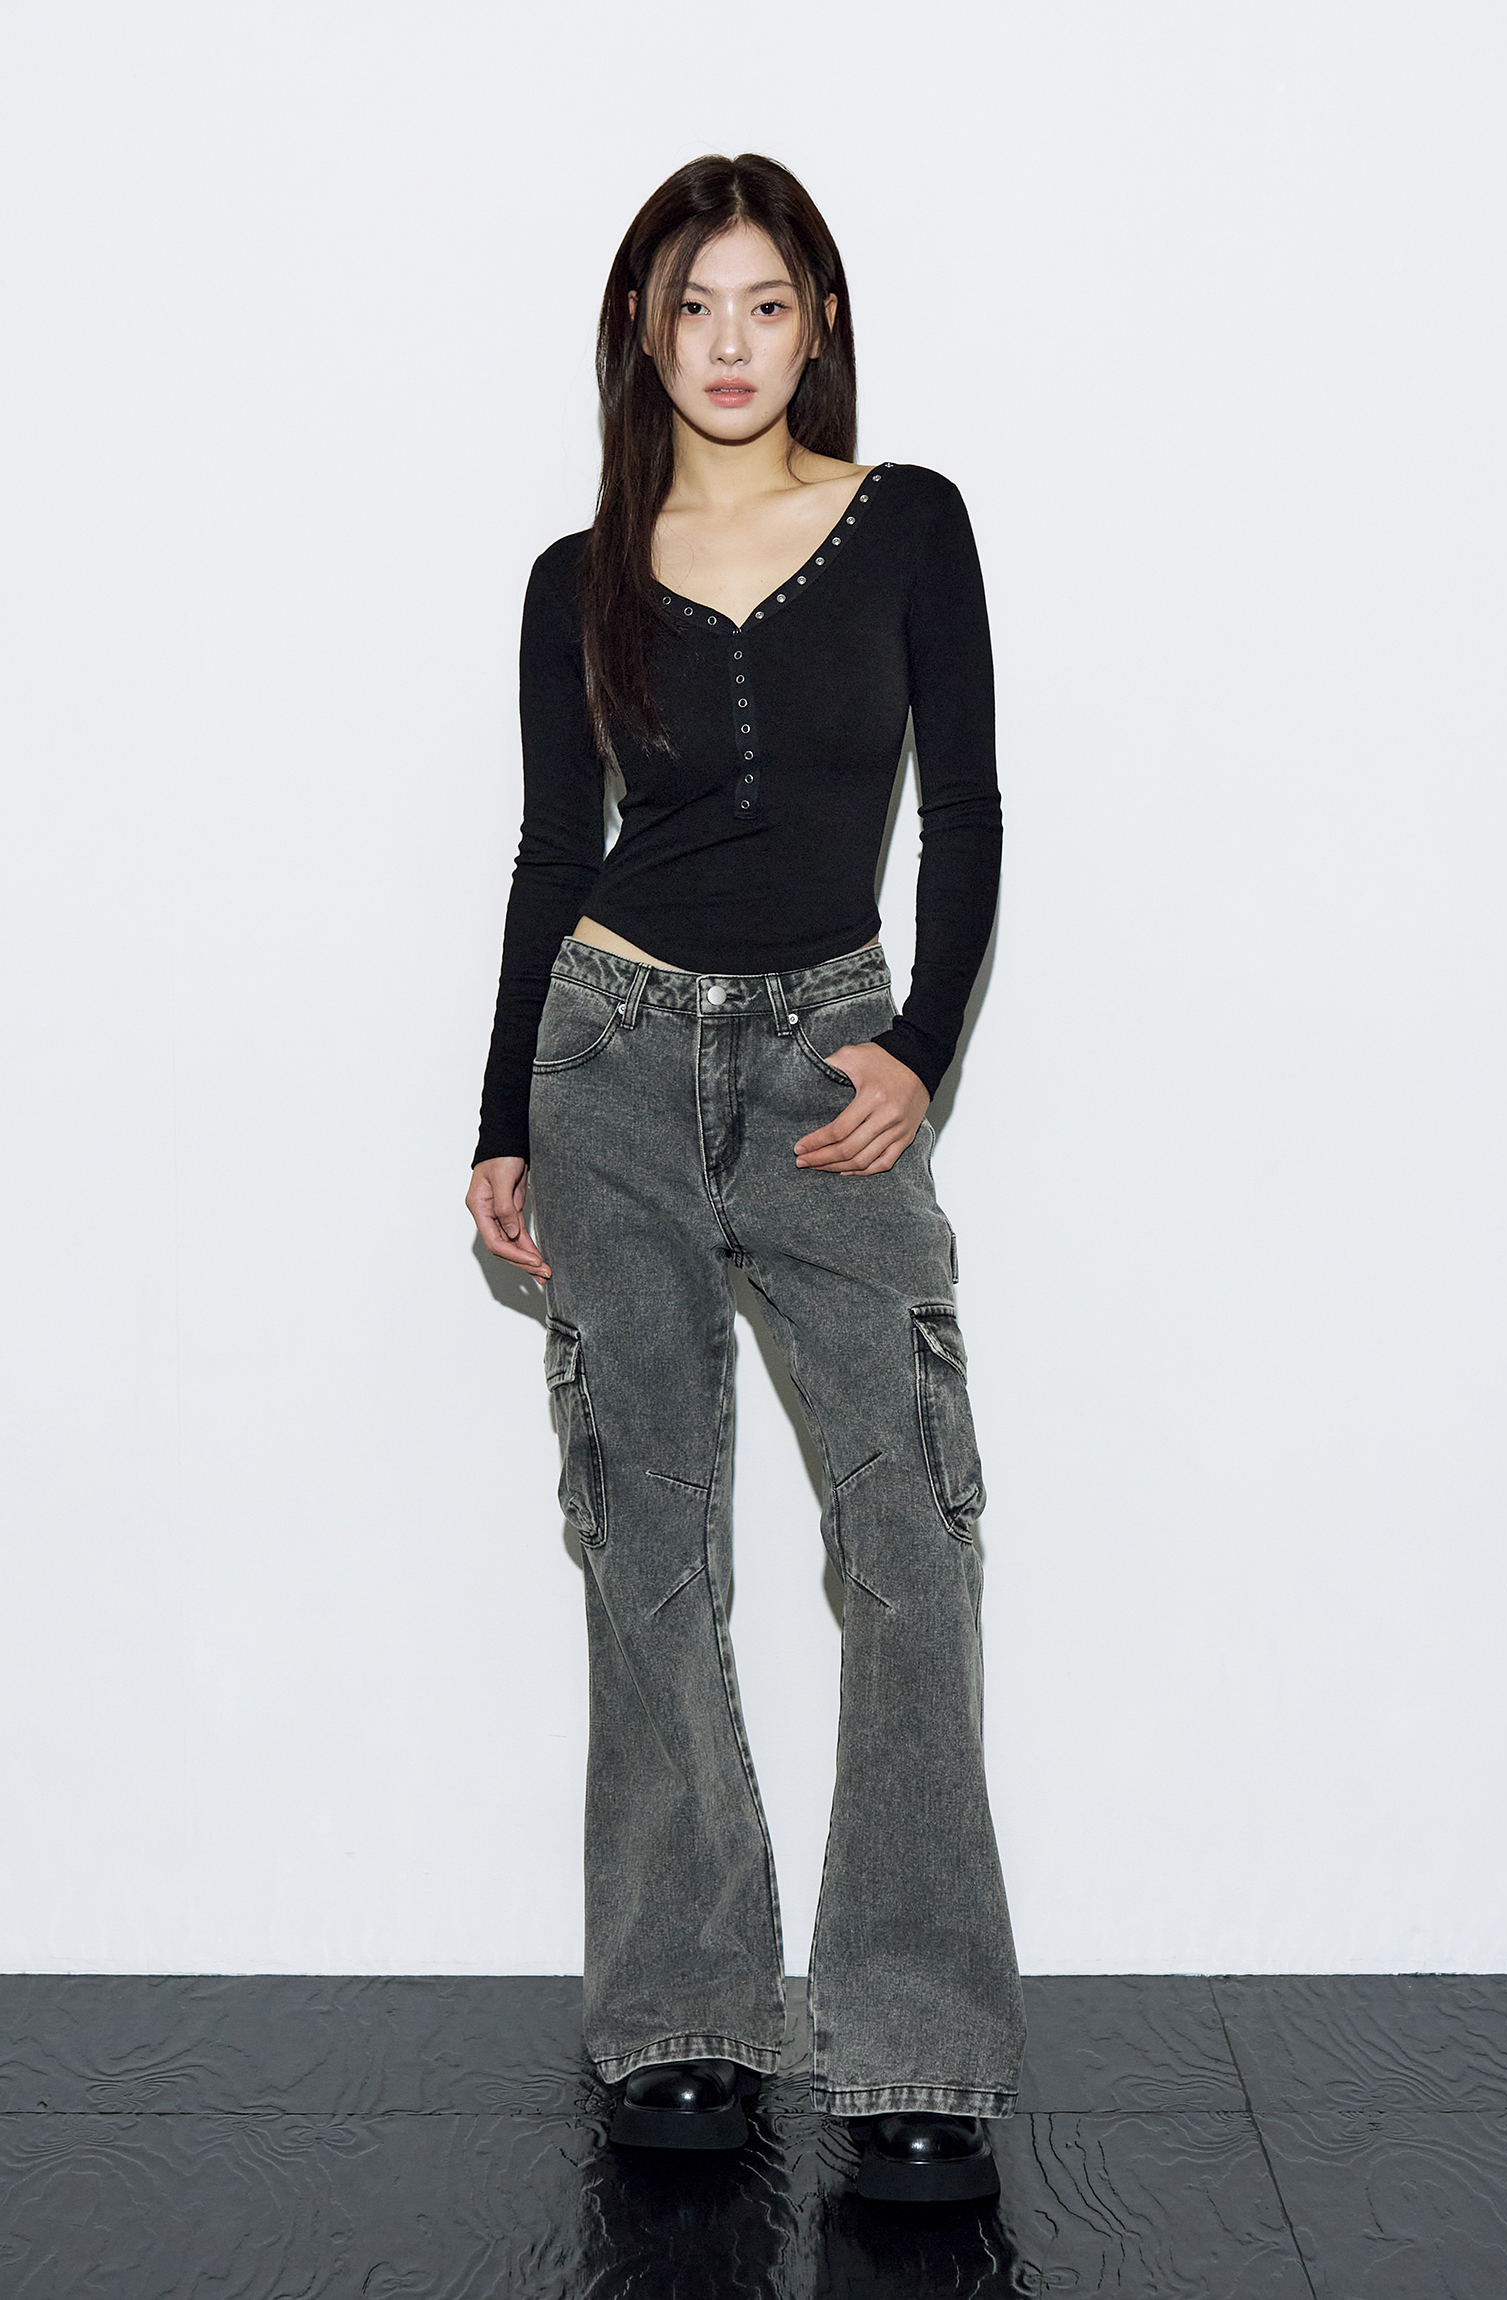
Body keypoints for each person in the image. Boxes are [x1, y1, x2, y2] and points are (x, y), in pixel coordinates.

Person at [466, 152, 1027, 2205]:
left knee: (908, 1532)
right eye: (690, 306)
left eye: (764, 303)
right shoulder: (577, 575)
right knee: (647, 1535)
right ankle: (681, 2013)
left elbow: (963, 810)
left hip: (826, 1062)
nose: (727, 344)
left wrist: (918, 1049)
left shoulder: (906, 524)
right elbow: (554, 852)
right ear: (641, 330)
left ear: (816, 323)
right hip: (607, 1056)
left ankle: (915, 2040)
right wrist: (501, 1118)